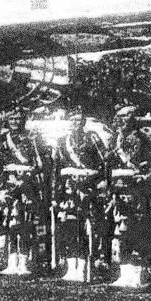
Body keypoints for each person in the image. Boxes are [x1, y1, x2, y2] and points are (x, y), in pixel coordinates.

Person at [107, 105, 151, 287]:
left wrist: (146, 176)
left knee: (142, 232)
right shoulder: (114, 141)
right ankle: (125, 271)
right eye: (121, 116)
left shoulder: (148, 139)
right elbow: (107, 166)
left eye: (129, 115)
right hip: (120, 192)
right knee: (122, 231)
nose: (125, 119)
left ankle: (143, 273)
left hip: (142, 193)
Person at [0, 107, 51, 276]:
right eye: (12, 119)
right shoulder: (3, 140)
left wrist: (26, 177)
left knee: (25, 225)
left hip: (27, 186)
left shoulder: (32, 138)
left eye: (18, 119)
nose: (15, 122)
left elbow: (40, 164)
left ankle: (24, 262)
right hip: (8, 185)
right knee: (11, 225)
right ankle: (11, 262)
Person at [54, 107, 110, 282]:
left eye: (79, 120)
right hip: (70, 190)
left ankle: (88, 265)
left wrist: (103, 182)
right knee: (70, 227)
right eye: (73, 120)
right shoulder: (63, 141)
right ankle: (72, 266)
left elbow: (105, 161)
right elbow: (57, 169)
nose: (76, 123)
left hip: (90, 190)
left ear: (84, 122)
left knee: (91, 228)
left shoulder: (92, 138)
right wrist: (57, 194)